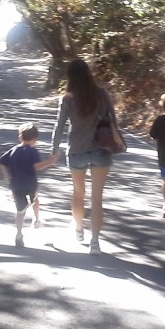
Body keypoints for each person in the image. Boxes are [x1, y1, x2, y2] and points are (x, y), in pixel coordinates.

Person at [50, 58, 118, 254]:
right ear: (88, 73)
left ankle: (79, 229)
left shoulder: (68, 99)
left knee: (78, 193)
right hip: (101, 148)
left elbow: (59, 126)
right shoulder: (102, 94)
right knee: (97, 199)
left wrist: (54, 150)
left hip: (77, 150)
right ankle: (94, 242)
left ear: (70, 77)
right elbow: (113, 120)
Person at [0, 123, 59, 248]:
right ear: (35, 139)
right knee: (33, 200)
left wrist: (7, 176)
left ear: (20, 137)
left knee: (20, 211)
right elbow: (37, 166)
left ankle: (19, 233)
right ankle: (36, 219)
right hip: (30, 184)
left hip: (15, 185)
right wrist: (51, 161)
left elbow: (1, 162)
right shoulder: (32, 151)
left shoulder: (14, 150)